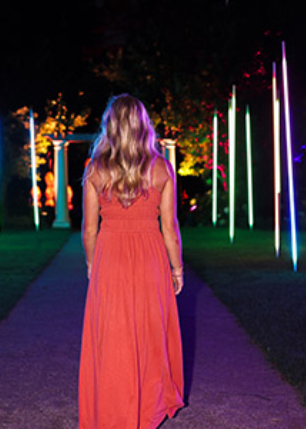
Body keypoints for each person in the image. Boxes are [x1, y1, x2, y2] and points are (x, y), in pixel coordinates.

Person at [78, 94, 184, 428]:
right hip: (150, 258)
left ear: (109, 126)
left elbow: (89, 229)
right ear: (143, 125)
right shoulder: (161, 167)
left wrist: (92, 264)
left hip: (110, 257)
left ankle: (112, 410)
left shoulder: (96, 169)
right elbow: (169, 228)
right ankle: (145, 412)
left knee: (112, 336)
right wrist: (177, 268)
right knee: (149, 334)